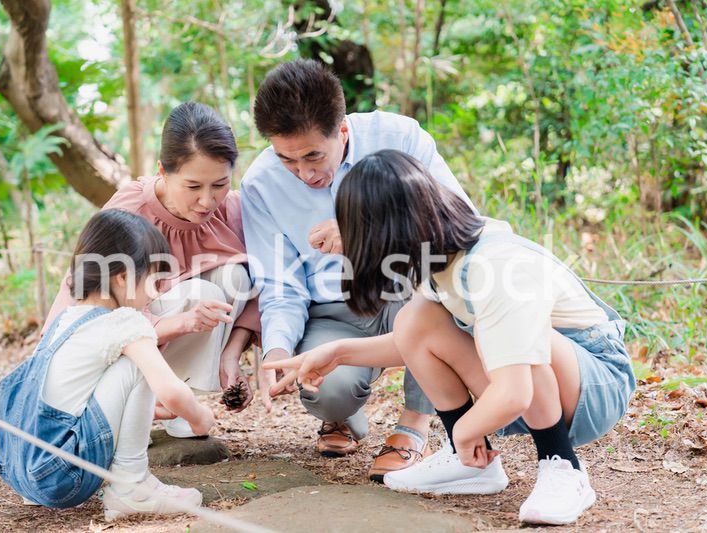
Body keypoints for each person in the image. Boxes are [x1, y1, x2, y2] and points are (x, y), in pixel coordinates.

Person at [265, 150, 636, 525]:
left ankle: (561, 465)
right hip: (536, 381)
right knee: (416, 317)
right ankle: (473, 467)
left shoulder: (496, 266)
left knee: (521, 336)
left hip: (595, 385)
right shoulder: (439, 257)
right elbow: (414, 340)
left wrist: (465, 430)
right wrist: (338, 353)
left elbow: (515, 391)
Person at [241, 58, 477, 479]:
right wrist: (277, 351)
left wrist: (363, 230)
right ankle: (343, 415)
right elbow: (280, 284)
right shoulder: (260, 183)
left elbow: (459, 228)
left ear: (342, 130)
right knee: (327, 392)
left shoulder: (399, 137)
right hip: (332, 307)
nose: (304, 172)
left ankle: (413, 425)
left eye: (314, 155)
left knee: (442, 298)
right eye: (287, 160)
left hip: (406, 291)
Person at [44, 102, 260, 435]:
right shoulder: (133, 207)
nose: (207, 201)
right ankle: (134, 404)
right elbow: (91, 296)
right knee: (203, 292)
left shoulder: (232, 210)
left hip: (180, 339)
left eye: (219, 184)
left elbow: (264, 286)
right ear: (163, 171)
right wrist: (176, 321)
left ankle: (184, 403)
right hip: (124, 333)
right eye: (193, 186)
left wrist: (231, 353)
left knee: (236, 276)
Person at [0, 209, 215, 521]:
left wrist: (144, 409)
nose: (159, 291)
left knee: (126, 358)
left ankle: (105, 487)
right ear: (122, 277)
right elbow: (172, 392)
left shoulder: (66, 319)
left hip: (19, 467)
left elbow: (73, 395)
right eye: (154, 280)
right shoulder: (126, 322)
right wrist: (200, 417)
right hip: (60, 477)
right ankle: (133, 488)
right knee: (139, 361)